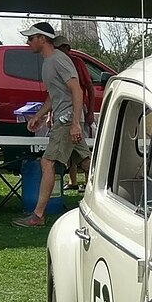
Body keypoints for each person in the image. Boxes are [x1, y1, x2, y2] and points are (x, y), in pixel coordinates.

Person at [13, 22, 90, 228]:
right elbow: (53, 96)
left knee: (47, 163)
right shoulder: (49, 61)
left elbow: (77, 91)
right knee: (86, 162)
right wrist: (38, 116)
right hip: (66, 119)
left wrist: (74, 123)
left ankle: (37, 216)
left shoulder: (58, 60)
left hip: (66, 121)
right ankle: (115, 196)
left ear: (42, 39)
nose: (28, 42)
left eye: (31, 38)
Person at [55, 36, 95, 191]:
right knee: (72, 152)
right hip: (63, 113)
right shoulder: (55, 64)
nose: (58, 52)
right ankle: (73, 182)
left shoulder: (77, 63)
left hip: (76, 113)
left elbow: (89, 88)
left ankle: (91, 182)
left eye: (60, 48)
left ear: (67, 48)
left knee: (83, 151)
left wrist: (90, 112)